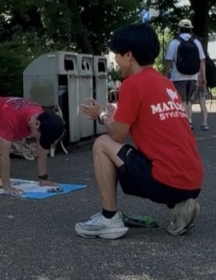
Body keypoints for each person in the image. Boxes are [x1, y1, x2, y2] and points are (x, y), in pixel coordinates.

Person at [76, 23, 204, 239]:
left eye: (117, 54)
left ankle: (109, 218)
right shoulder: (165, 83)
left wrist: (101, 115)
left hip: (166, 181)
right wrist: (114, 114)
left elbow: (117, 135)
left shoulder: (132, 84)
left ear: (129, 55)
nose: (115, 60)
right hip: (193, 182)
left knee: (102, 144)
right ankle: (182, 205)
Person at [163, 19, 207, 130]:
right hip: (193, 76)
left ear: (179, 29)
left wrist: (165, 75)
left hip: (178, 76)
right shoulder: (196, 42)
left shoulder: (174, 42)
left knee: (181, 100)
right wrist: (203, 77)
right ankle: (189, 121)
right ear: (191, 30)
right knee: (188, 100)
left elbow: (168, 60)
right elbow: (202, 60)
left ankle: (185, 122)